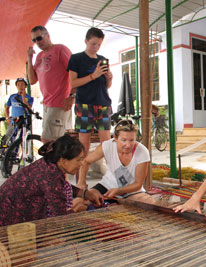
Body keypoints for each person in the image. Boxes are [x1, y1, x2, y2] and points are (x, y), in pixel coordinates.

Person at [0, 135, 102, 226]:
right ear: (63, 160)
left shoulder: (50, 164)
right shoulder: (50, 177)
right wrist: (77, 209)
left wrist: (85, 194)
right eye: (78, 160)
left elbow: (59, 186)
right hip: (10, 220)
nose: (81, 164)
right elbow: (60, 218)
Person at [67, 27, 113, 169]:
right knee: (83, 145)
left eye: (99, 44)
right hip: (84, 105)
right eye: (93, 44)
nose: (96, 47)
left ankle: (111, 176)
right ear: (86, 41)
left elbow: (107, 86)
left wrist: (109, 78)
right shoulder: (76, 58)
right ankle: (81, 180)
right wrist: (94, 75)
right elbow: (73, 83)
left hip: (103, 104)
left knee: (107, 144)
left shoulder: (102, 60)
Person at [80, 119, 155, 205]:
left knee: (150, 204)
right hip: (107, 186)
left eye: (131, 140)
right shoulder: (107, 146)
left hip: (132, 191)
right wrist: (82, 182)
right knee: (83, 202)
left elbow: (138, 184)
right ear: (115, 138)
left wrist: (119, 191)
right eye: (124, 140)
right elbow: (85, 161)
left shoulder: (142, 152)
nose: (128, 145)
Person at [27, 25, 73, 143]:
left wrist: (72, 96)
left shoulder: (60, 49)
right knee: (60, 141)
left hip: (59, 102)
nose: (37, 42)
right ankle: (64, 161)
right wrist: (29, 57)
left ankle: (55, 161)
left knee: (48, 140)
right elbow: (32, 80)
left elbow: (75, 71)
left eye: (39, 38)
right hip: (47, 103)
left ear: (47, 35)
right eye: (34, 40)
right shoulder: (39, 56)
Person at [2, 78, 34, 145]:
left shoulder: (29, 98)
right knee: (7, 137)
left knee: (24, 139)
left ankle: (23, 154)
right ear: (16, 86)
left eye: (22, 84)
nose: (20, 86)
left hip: (24, 121)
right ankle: (5, 152)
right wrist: (8, 117)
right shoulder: (12, 97)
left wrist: (23, 96)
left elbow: (28, 107)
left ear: (26, 86)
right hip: (14, 120)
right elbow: (7, 108)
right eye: (18, 85)